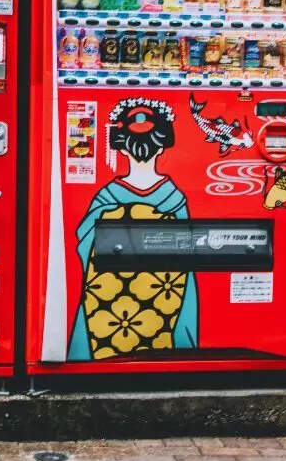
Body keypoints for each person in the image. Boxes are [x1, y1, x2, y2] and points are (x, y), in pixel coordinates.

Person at [67, 98, 198, 360]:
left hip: (105, 315)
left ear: (120, 148)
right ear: (163, 146)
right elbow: (189, 257)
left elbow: (82, 240)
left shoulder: (106, 197)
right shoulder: (174, 198)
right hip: (164, 310)